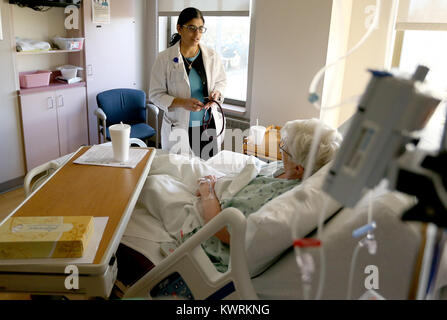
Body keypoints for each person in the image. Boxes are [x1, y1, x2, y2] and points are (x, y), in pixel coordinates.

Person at [195, 118, 343, 244]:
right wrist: (218, 182)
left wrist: (208, 193)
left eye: (284, 148)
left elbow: (224, 232)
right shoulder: (287, 168)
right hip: (216, 187)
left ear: (299, 168)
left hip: (207, 216)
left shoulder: (282, 201)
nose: (280, 151)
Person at [149, 7, 227, 160]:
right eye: (191, 28)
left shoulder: (211, 56)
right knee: (180, 173)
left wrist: (217, 93)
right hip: (178, 126)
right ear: (179, 28)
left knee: (207, 170)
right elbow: (155, 94)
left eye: (200, 29)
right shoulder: (164, 58)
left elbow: (221, 81)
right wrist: (181, 102)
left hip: (206, 125)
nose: (197, 34)